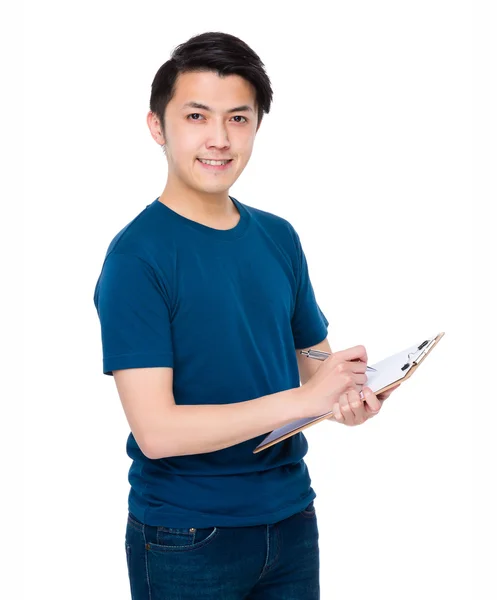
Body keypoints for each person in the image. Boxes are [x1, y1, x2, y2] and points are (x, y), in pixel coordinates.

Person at [93, 31, 399, 600]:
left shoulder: (278, 237)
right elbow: (156, 431)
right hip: (186, 534)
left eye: (238, 118)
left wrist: (344, 396)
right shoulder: (138, 257)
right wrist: (306, 399)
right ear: (158, 127)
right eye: (196, 116)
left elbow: (314, 365)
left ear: (257, 126)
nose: (218, 138)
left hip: (291, 520)